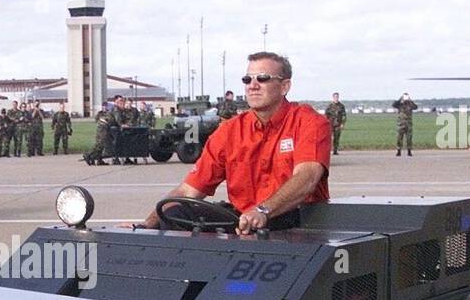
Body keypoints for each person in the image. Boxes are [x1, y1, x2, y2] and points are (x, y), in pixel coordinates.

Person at [132, 52, 330, 235]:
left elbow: (307, 177)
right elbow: (188, 190)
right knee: (175, 211)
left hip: (296, 223)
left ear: (284, 86)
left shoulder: (308, 122)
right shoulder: (229, 131)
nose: (253, 85)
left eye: (262, 78)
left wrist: (263, 210)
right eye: (247, 79)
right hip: (245, 221)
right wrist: (147, 224)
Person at [392, 92, 417, 157]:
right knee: (399, 138)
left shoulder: (410, 104)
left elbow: (415, 107)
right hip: (401, 124)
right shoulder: (400, 104)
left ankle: (409, 151)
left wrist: (410, 100)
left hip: (408, 124)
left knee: (409, 138)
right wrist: (400, 99)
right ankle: (398, 151)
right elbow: (394, 105)